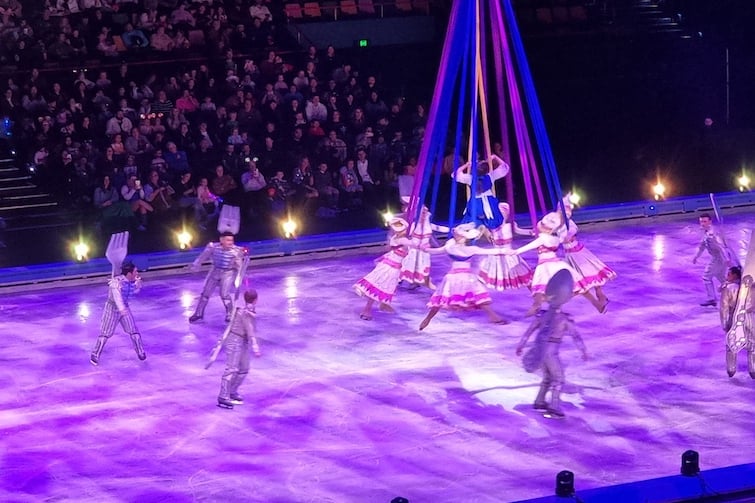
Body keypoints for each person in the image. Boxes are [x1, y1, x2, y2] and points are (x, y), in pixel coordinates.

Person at [515, 269, 588, 419]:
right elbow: (576, 337)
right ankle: (554, 407)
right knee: (559, 379)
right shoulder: (564, 320)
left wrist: (521, 346)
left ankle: (539, 401)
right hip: (551, 351)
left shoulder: (542, 316)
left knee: (547, 378)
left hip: (540, 349)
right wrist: (583, 351)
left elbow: (528, 332)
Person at [419, 223, 510, 330]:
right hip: (458, 277)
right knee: (441, 300)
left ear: (465, 238)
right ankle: (427, 319)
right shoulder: (454, 247)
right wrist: (425, 249)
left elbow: (489, 251)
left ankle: (493, 317)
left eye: (459, 235)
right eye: (457, 235)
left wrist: (504, 251)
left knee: (478, 297)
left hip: (463, 277)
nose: (457, 237)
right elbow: (436, 251)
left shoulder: (455, 247)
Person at [506, 212, 599, 316]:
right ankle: (596, 303)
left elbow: (527, 247)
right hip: (556, 263)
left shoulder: (542, 239)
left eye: (541, 224)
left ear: (547, 229)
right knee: (576, 286)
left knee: (539, 290)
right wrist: (516, 228)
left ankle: (536, 306)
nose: (538, 224)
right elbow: (530, 232)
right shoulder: (555, 238)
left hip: (545, 266)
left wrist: (515, 251)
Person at [557, 195, 616, 309]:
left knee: (589, 272)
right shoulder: (558, 224)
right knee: (577, 279)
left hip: (577, 252)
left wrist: (566, 237)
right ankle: (599, 298)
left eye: (567, 210)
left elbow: (573, 230)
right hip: (569, 254)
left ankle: (599, 294)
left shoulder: (569, 223)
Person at [354, 217, 413, 320]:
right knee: (379, 286)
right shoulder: (401, 239)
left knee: (385, 287)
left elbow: (390, 249)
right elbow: (413, 244)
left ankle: (382, 303)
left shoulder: (395, 237)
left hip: (391, 265)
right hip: (390, 267)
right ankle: (367, 309)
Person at [90, 261, 147, 365]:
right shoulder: (116, 283)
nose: (137, 273)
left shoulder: (132, 281)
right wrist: (121, 309)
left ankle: (140, 351)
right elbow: (117, 297)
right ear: (129, 273)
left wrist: (138, 285)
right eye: (135, 271)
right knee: (105, 334)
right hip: (112, 309)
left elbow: (133, 292)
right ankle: (95, 354)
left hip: (124, 307)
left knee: (133, 330)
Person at [189, 232, 247, 323]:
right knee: (205, 294)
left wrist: (238, 269)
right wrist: (196, 264)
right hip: (215, 271)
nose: (230, 242)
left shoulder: (237, 251)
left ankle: (230, 314)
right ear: (221, 240)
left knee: (224, 294)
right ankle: (199, 313)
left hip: (228, 273)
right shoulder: (213, 247)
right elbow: (203, 256)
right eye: (228, 240)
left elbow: (240, 266)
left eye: (232, 240)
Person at [478, 202, 534, 291]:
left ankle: (535, 293)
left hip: (510, 255)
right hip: (496, 257)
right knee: (488, 278)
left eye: (504, 212)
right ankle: (479, 297)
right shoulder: (492, 226)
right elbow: (481, 228)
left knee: (523, 275)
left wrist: (530, 232)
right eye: (499, 212)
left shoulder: (511, 225)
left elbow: (519, 231)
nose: (501, 214)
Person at [217, 289, 259, 409]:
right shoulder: (242, 311)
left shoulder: (249, 311)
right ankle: (223, 395)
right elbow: (249, 328)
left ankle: (232, 391)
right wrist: (255, 345)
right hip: (235, 339)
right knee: (232, 368)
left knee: (244, 368)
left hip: (244, 341)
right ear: (256, 299)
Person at [453, 154, 509, 230]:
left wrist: (466, 165)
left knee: (473, 221)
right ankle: (491, 231)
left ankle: (480, 230)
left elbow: (455, 175)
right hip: (489, 202)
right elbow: (505, 168)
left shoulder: (470, 178)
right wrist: (495, 157)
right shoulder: (491, 176)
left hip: (476, 203)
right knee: (493, 219)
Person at [720, 265, 755, 378]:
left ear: (735, 275)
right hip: (750, 318)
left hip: (734, 317)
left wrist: (724, 323)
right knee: (753, 344)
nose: (727, 276)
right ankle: (753, 369)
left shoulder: (729, 288)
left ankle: (731, 369)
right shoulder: (752, 287)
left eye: (729, 274)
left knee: (731, 344)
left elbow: (724, 307)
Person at [694, 213, 735, 307]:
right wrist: (696, 256)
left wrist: (727, 259)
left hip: (719, 258)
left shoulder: (713, 233)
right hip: (717, 258)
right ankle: (733, 295)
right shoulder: (706, 232)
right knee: (721, 278)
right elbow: (702, 246)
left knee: (706, 276)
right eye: (701, 222)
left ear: (710, 221)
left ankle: (711, 298)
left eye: (705, 221)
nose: (702, 224)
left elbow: (722, 247)